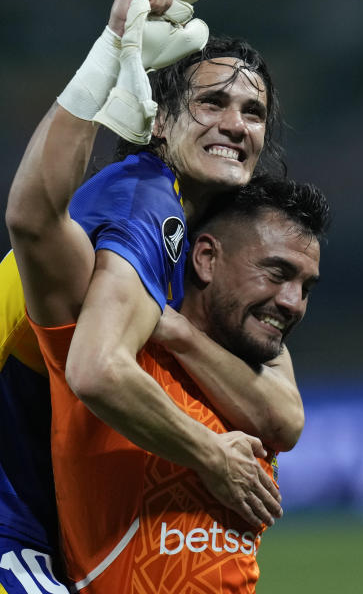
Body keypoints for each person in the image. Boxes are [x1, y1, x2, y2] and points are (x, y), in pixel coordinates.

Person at [0, 0, 302, 594]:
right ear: (160, 124)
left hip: (48, 540)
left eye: (253, 112)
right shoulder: (144, 198)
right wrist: (210, 454)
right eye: (212, 102)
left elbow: (283, 412)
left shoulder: (204, 239)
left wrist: (184, 337)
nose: (236, 123)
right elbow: (92, 361)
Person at [24, 177, 330, 592]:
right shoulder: (110, 339)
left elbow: (288, 423)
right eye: (277, 273)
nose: (294, 302)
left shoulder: (255, 356)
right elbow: (32, 220)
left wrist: (178, 332)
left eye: (306, 288)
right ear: (205, 257)